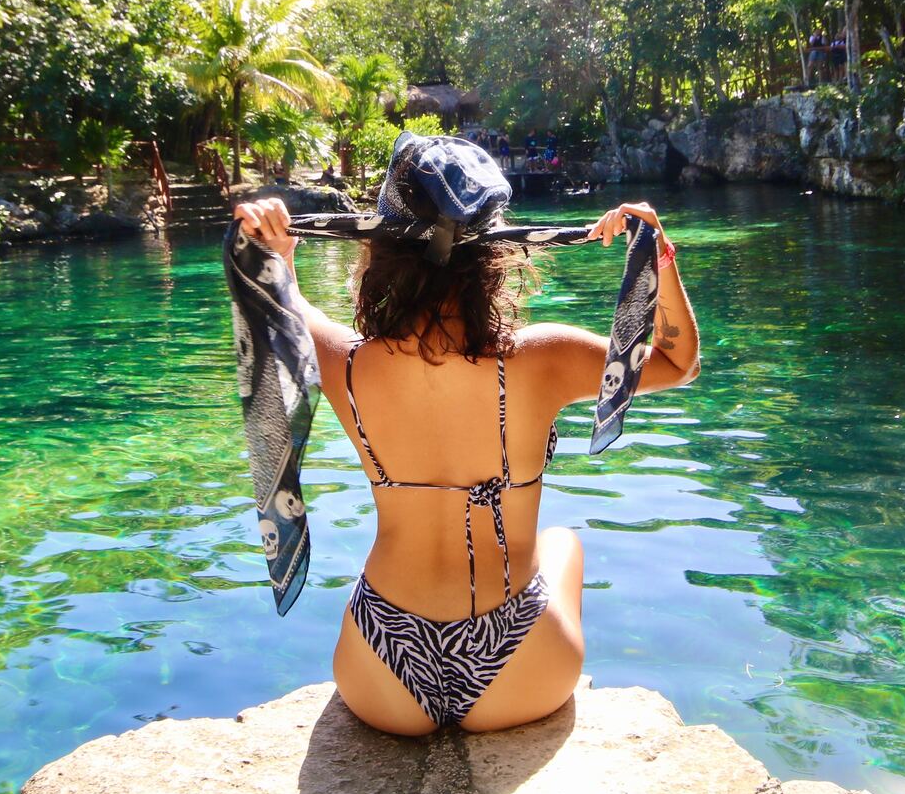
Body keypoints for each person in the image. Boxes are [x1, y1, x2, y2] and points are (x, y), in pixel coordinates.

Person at [231, 138, 700, 736]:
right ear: (496, 257)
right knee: (562, 544)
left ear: (380, 252)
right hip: (522, 669)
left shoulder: (344, 362)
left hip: (380, 671)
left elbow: (284, 301)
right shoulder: (542, 356)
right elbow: (678, 363)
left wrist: (279, 250)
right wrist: (656, 254)